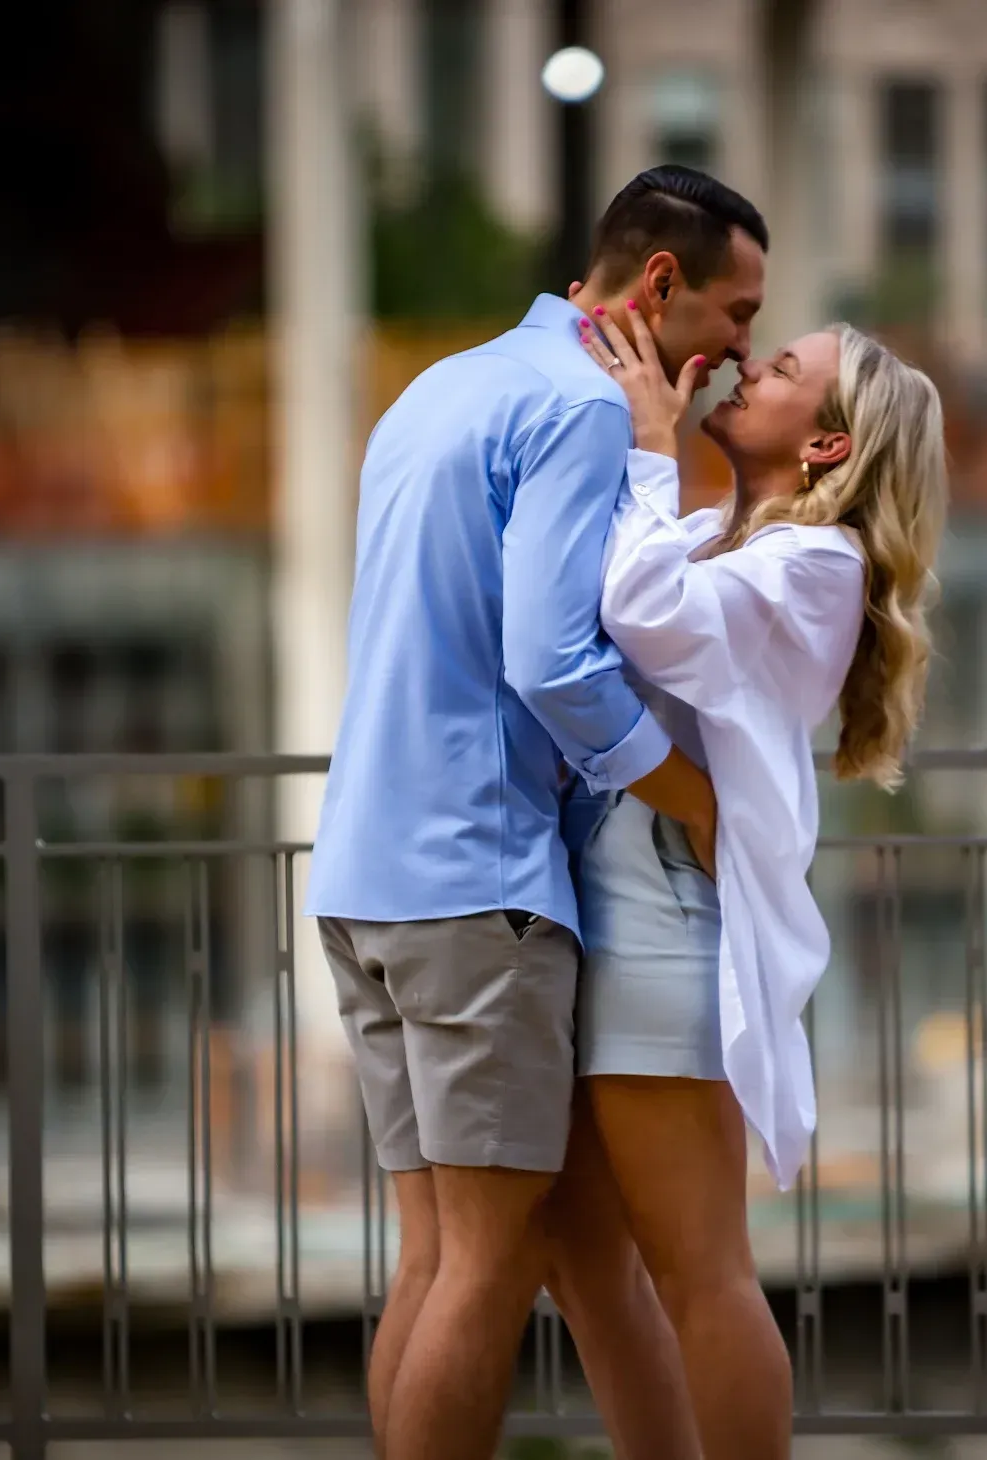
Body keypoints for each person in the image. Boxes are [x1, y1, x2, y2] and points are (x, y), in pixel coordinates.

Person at [305, 165, 767, 1460]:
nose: (743, 347)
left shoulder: (436, 390)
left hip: (365, 875)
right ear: (659, 283)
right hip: (478, 884)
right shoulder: (571, 408)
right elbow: (552, 663)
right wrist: (700, 799)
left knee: (432, 1261)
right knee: (488, 1273)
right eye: (737, 313)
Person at [543, 304, 947, 1459]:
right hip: (605, 907)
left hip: (660, 920)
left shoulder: (815, 565)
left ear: (823, 445)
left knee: (700, 1270)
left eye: (777, 371)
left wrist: (645, 439)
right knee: (583, 1254)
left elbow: (639, 609)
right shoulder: (732, 530)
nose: (743, 368)